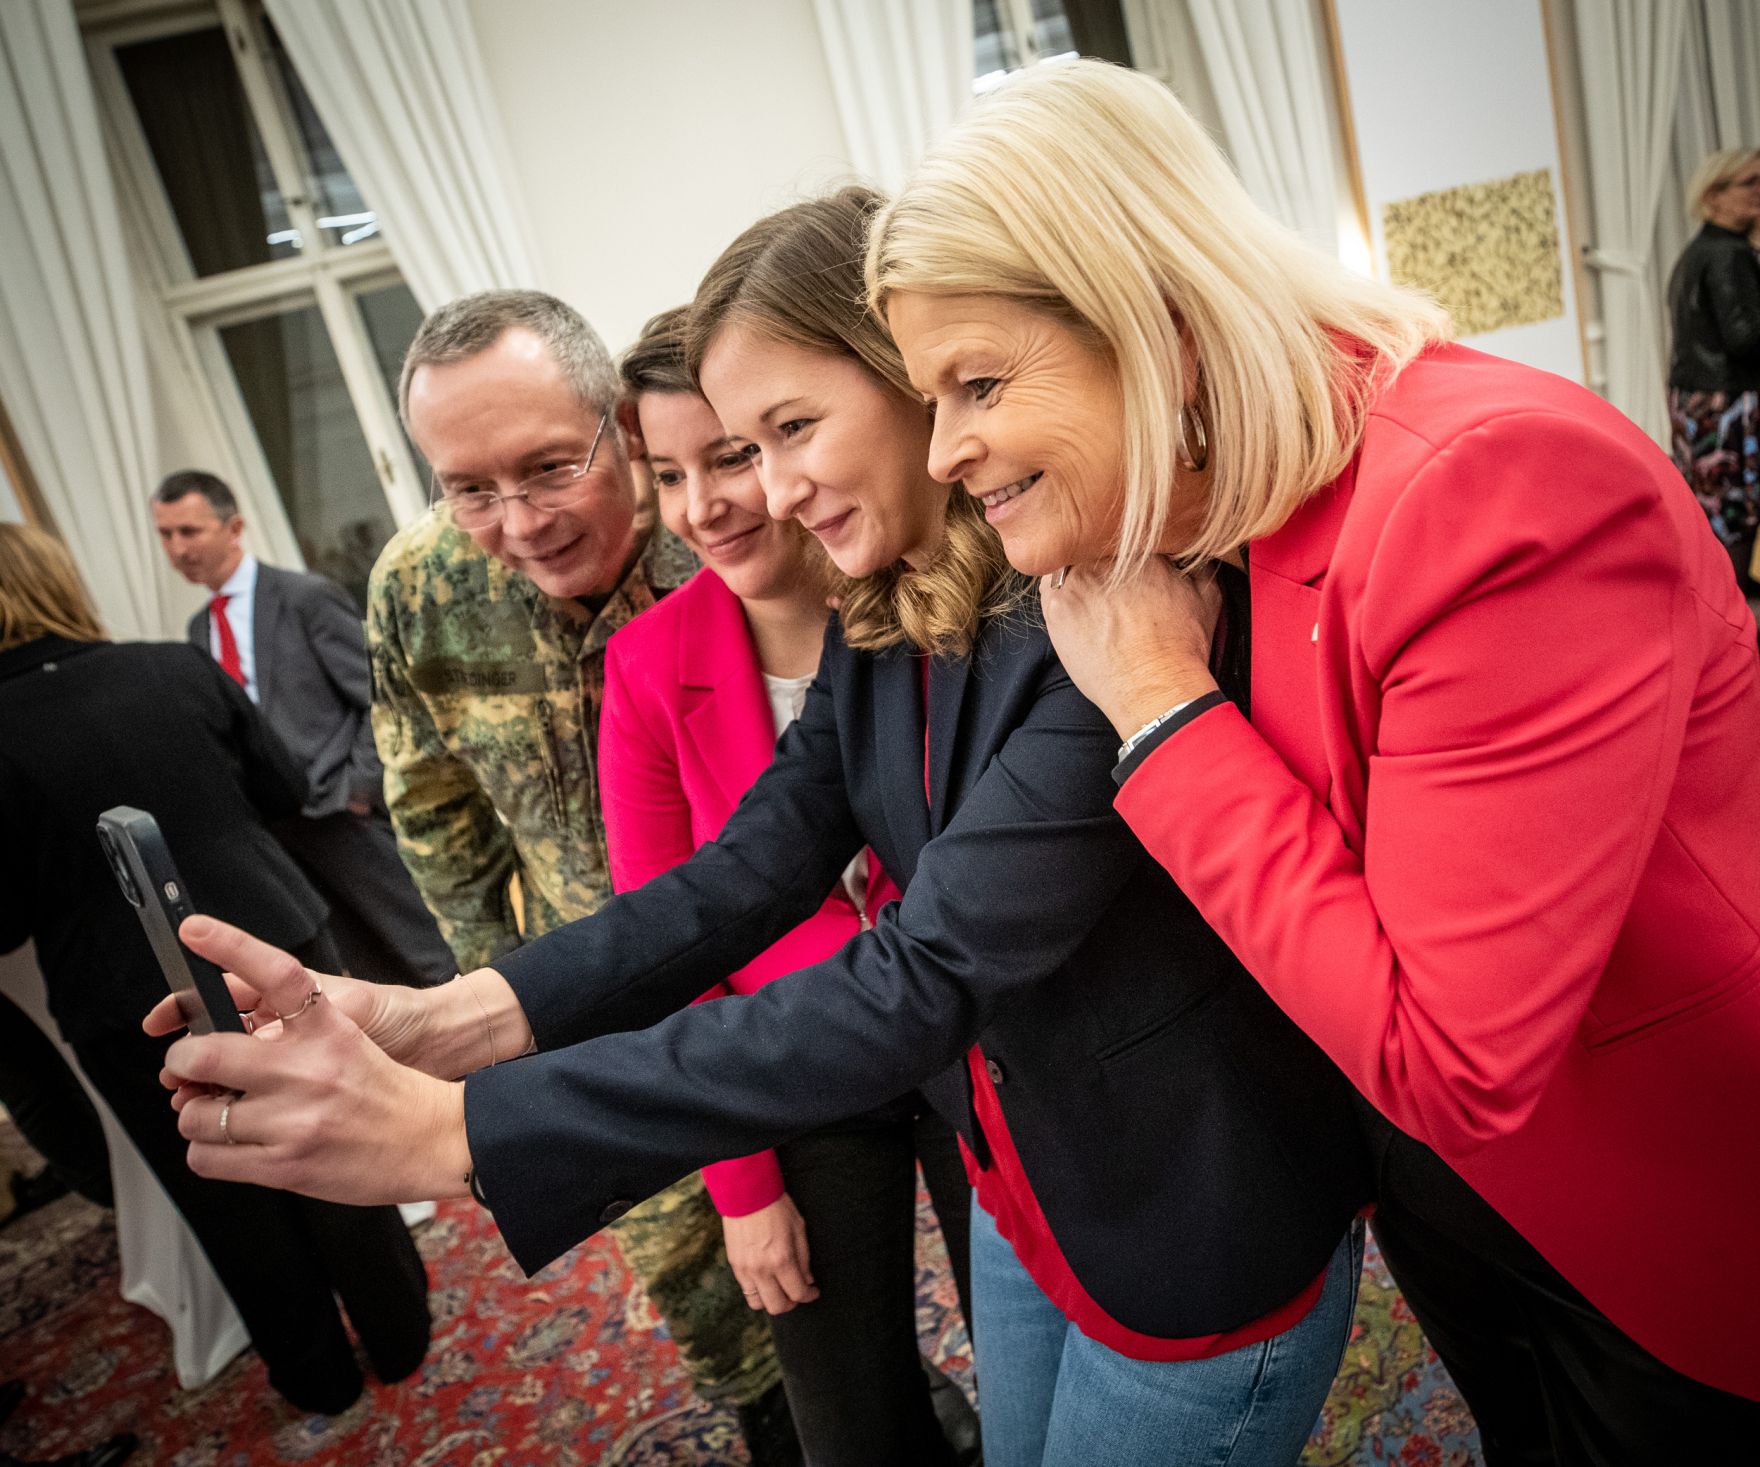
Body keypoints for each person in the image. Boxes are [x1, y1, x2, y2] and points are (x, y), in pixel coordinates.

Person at [155, 192, 1371, 1467]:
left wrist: (456, 1134)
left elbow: (921, 974)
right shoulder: (880, 606)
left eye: (790, 431)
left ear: (907, 377)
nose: (773, 493)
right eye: (747, 445)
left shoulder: (1104, 612)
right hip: (1032, 1186)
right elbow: (747, 869)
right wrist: (448, 1019)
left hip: (1190, 1210)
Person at [867, 59, 1760, 1461]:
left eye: (977, 383)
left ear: (1159, 328)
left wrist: (1159, 705)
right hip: (1446, 1197)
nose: (943, 451)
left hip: (1649, 1196)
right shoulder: (1217, 514)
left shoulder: (1493, 486)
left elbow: (1455, 1060)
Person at [359, 290, 796, 1464]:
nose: (520, 523)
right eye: (468, 489)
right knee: (682, 1263)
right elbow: (438, 821)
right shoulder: (419, 590)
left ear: (619, 423)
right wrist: (497, 1015)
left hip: (768, 976)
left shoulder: (729, 525)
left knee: (822, 1238)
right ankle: (767, 1419)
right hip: (581, 1002)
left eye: (550, 468)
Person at [606, 308, 977, 1466]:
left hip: (971, 1031)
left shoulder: (926, 598)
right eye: (667, 475)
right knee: (848, 1429)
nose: (701, 506)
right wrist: (740, 1186)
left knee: (1043, 1369)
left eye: (728, 457)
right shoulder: (644, 664)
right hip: (792, 1068)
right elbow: (667, 945)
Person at [0, 522, 429, 1416]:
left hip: (119, 995)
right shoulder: (173, 664)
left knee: (222, 1186)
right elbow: (281, 789)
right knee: (338, 1134)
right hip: (270, 937)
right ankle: (400, 1329)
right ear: (56, 578)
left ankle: (315, 1375)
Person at [151, 472, 453, 986]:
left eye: (189, 531)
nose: (178, 549)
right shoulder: (199, 629)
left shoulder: (303, 597)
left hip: (344, 814)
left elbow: (382, 694)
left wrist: (359, 789)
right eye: (166, 534)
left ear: (234, 528)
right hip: (281, 832)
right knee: (368, 973)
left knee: (429, 954)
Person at [1666, 147, 1760, 596]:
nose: (1759, 191)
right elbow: (1745, 337)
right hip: (1727, 402)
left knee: (1716, 508)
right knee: (1735, 509)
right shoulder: (1729, 254)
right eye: (1750, 182)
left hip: (1696, 399)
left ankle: (1732, 601)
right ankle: (1738, 608)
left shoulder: (1696, 251)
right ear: (1714, 195)